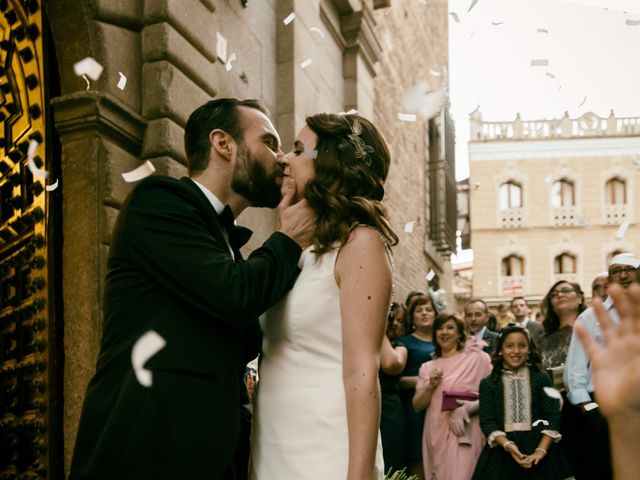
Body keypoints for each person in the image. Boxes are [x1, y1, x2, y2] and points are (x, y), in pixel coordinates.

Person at [69, 98, 316, 479]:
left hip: (211, 456)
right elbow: (236, 295)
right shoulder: (159, 202)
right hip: (146, 449)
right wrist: (288, 239)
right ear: (223, 144)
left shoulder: (226, 241)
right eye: (269, 142)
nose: (282, 159)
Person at [249, 112, 398, 479]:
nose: (284, 158)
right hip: (273, 445)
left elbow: (363, 370)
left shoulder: (360, 244)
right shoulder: (297, 249)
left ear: (331, 164)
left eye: (299, 150)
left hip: (325, 448)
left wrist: (359, 474)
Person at [564, 253, 640, 480]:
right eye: (617, 270)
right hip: (600, 405)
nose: (624, 275)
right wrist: (590, 409)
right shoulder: (589, 317)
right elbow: (574, 372)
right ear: (610, 277)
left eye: (629, 269)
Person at [472, 325, 574, 479]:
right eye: (509, 346)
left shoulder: (542, 378)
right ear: (500, 350)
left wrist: (540, 451)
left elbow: (552, 416)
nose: (516, 351)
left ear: (529, 350)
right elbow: (487, 421)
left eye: (522, 346)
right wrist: (509, 445)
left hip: (541, 448)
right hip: (503, 451)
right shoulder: (488, 383)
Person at [413, 313, 492, 480]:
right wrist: (431, 386)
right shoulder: (427, 367)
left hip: (464, 429)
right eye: (440, 328)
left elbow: (495, 391)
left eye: (450, 328)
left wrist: (471, 407)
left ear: (459, 334)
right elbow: (417, 405)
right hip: (435, 431)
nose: (444, 332)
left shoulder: (477, 358)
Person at [397, 293, 440, 478]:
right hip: (415, 410)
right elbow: (398, 381)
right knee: (418, 459)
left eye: (429, 310)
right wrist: (426, 381)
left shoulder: (444, 340)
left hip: (442, 410)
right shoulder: (405, 342)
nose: (424, 313)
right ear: (412, 316)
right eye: (419, 310)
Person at [379, 304, 410, 474]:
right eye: (392, 319)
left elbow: (391, 364)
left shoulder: (400, 345)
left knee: (390, 459)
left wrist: (380, 331)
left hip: (389, 407)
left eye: (401, 321)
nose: (396, 324)